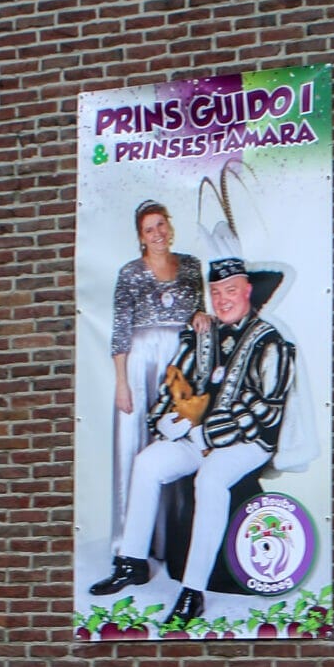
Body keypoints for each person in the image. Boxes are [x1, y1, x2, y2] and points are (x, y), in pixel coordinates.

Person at [90, 258, 295, 627]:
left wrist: (206, 433)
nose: (222, 299)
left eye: (231, 290)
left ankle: (192, 591)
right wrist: (168, 422)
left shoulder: (271, 342)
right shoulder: (200, 332)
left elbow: (265, 412)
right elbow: (172, 387)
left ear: (248, 292)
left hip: (246, 444)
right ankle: (133, 562)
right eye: (215, 292)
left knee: (210, 479)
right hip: (195, 435)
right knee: (148, 462)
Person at [109, 203, 204, 551]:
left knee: (178, 438)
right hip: (141, 361)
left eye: (161, 224)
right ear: (141, 236)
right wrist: (121, 382)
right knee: (135, 441)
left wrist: (201, 316)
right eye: (149, 229)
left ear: (170, 226)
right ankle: (131, 544)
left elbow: (198, 310)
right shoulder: (130, 272)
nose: (157, 233)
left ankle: (173, 540)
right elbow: (121, 330)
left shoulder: (191, 266)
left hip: (181, 360)